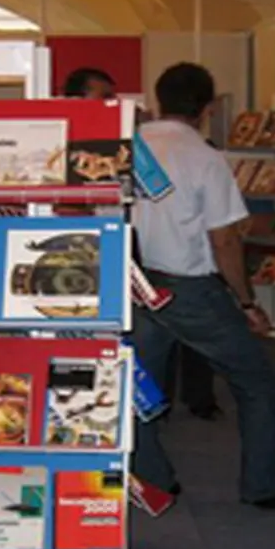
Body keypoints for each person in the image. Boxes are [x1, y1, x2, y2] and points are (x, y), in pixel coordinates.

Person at [132, 62, 275, 512]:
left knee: (138, 387)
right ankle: (264, 485)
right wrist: (247, 302)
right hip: (190, 287)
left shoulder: (129, 146)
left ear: (158, 100)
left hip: (134, 282)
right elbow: (225, 239)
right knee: (256, 384)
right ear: (206, 108)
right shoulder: (204, 158)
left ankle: (150, 475)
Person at [63, 66, 221, 418]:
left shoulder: (127, 142)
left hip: (130, 257)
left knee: (144, 345)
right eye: (104, 97)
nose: (113, 104)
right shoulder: (72, 143)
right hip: (86, 258)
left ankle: (150, 410)